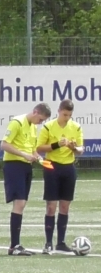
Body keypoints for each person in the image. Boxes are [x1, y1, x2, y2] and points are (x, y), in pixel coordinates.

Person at [0, 102, 51, 256]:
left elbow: (32, 150)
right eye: (40, 119)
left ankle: (16, 245)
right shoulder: (17, 122)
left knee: (22, 204)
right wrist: (24, 154)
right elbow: (4, 144)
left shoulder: (33, 127)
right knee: (19, 203)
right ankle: (14, 246)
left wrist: (39, 158)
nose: (40, 123)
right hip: (14, 165)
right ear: (35, 112)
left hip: (26, 166)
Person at [36, 99, 84, 254]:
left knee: (65, 206)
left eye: (69, 115)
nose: (67, 118)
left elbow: (81, 149)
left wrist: (74, 148)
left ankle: (61, 242)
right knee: (51, 206)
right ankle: (48, 243)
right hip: (52, 166)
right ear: (59, 111)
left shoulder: (76, 127)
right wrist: (57, 144)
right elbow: (39, 147)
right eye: (64, 114)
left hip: (68, 167)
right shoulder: (48, 126)